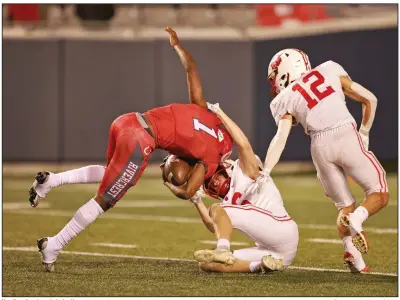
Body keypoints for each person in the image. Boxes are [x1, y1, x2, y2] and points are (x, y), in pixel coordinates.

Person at [29, 27, 232, 272]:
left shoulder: (205, 112)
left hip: (127, 121)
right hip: (140, 139)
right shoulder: (211, 159)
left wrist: (177, 45)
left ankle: (50, 181)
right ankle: (55, 245)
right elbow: (189, 190)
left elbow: (191, 67)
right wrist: (172, 185)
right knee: (105, 199)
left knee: (110, 175)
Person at [246, 49, 388, 273]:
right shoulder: (330, 69)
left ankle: (352, 252)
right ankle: (357, 219)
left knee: (344, 206)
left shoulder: (284, 98)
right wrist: (364, 133)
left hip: (319, 148)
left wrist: (267, 170)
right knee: (379, 193)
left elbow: (280, 137)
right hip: (345, 133)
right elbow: (371, 99)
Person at [164, 102, 299, 274]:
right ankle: (260, 267)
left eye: (213, 178)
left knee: (218, 212)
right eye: (209, 185)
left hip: (282, 229)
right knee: (207, 265)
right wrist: (197, 200)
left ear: (225, 167)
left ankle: (223, 250)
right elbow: (214, 226)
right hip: (277, 252)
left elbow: (243, 143)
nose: (213, 184)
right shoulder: (228, 203)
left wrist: (220, 112)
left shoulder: (245, 171)